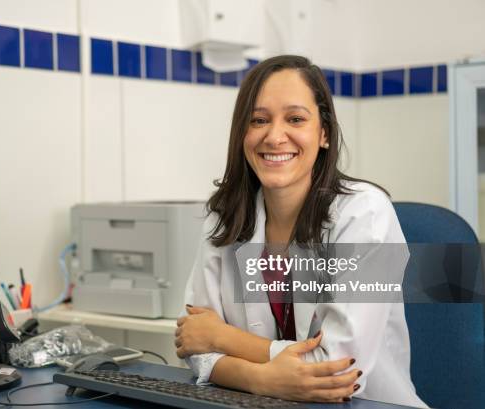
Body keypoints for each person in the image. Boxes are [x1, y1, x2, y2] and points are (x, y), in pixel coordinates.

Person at [174, 55, 427, 407]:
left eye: (295, 119)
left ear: (323, 133)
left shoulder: (365, 214)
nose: (275, 136)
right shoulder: (225, 217)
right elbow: (195, 346)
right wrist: (261, 379)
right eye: (259, 120)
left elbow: (337, 370)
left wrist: (225, 339)